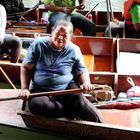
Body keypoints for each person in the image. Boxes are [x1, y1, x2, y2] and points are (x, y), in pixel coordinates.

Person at [20, 20, 103, 123]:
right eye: (57, 34)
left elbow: (82, 71)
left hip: (67, 87)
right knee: (39, 106)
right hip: (40, 89)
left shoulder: (74, 50)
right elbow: (25, 68)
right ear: (52, 32)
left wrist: (86, 83)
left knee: (82, 105)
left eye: (65, 36)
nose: (60, 38)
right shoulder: (39, 44)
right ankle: (69, 110)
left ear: (70, 37)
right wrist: (24, 89)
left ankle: (103, 126)